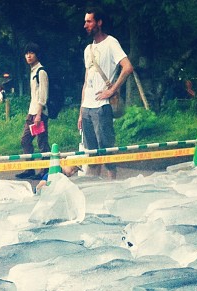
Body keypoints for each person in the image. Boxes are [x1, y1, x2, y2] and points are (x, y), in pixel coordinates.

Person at [78, 8, 133, 180]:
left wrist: (112, 90)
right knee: (91, 154)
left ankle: (112, 185)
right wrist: (81, 112)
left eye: (89, 21)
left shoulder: (111, 43)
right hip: (87, 106)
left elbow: (127, 67)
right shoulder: (88, 49)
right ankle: (96, 188)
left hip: (102, 106)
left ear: (99, 22)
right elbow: (86, 81)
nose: (85, 25)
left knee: (107, 151)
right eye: (85, 21)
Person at [15, 43, 50, 180]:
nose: (28, 56)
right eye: (26, 53)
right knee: (25, 140)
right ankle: (29, 169)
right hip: (32, 112)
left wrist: (39, 115)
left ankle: (45, 171)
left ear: (37, 55)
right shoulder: (33, 71)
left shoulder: (41, 72)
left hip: (39, 113)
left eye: (31, 53)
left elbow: (43, 95)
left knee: (42, 142)